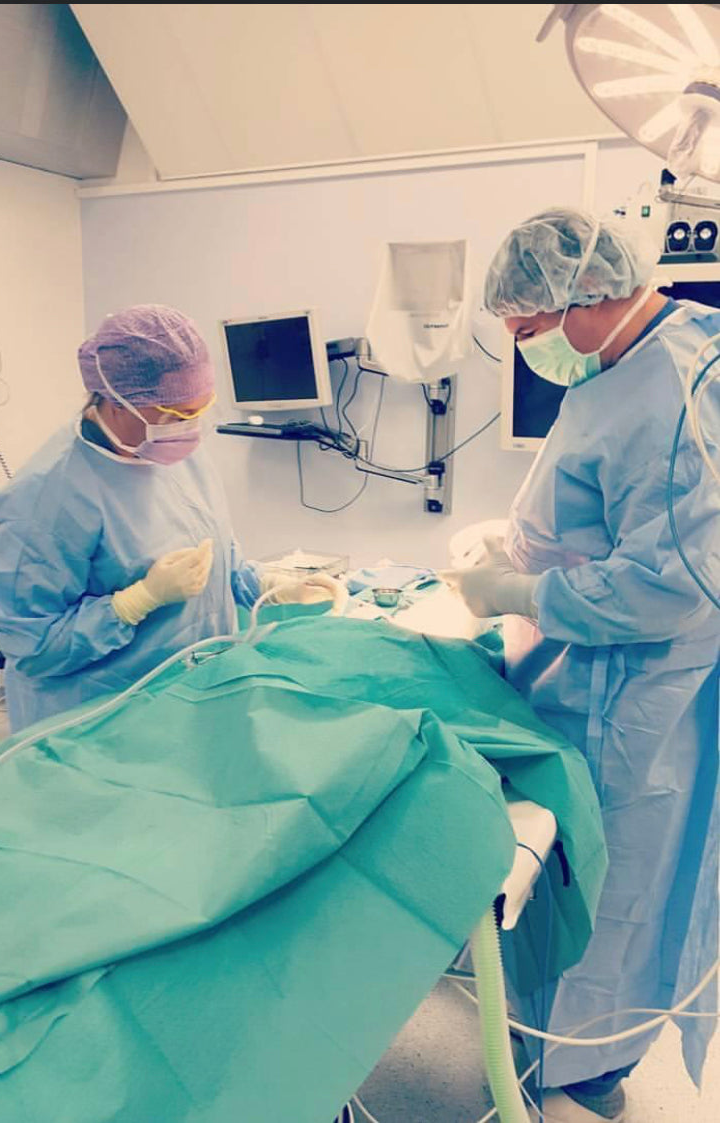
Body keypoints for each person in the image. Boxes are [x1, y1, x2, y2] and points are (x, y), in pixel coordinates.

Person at [444, 209, 719, 1122]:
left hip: (632, 696)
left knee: (614, 885)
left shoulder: (673, 389)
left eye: (529, 327)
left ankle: (584, 1069)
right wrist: (516, 543)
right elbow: (600, 504)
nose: (526, 347)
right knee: (567, 877)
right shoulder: (621, 362)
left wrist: (519, 590)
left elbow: (667, 585)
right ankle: (546, 1036)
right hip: (582, 672)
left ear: (588, 294)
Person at [0, 304, 340, 733]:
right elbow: (34, 648)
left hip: (189, 699)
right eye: (177, 415)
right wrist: (136, 601)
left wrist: (271, 585)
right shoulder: (44, 501)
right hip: (98, 726)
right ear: (118, 402)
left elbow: (215, 557)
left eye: (199, 410)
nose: (189, 428)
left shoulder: (174, 453)